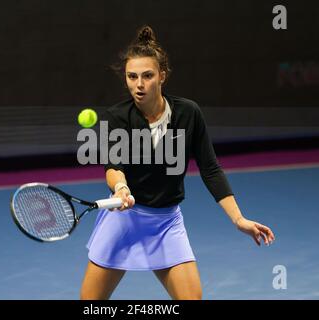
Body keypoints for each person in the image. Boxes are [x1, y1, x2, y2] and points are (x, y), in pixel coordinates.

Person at [80, 25, 275, 300]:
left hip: (166, 224)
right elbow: (113, 166)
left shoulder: (188, 114)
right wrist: (121, 188)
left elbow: (210, 168)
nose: (139, 84)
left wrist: (238, 218)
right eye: (131, 76)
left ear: (162, 75)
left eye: (147, 76)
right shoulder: (117, 117)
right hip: (125, 221)